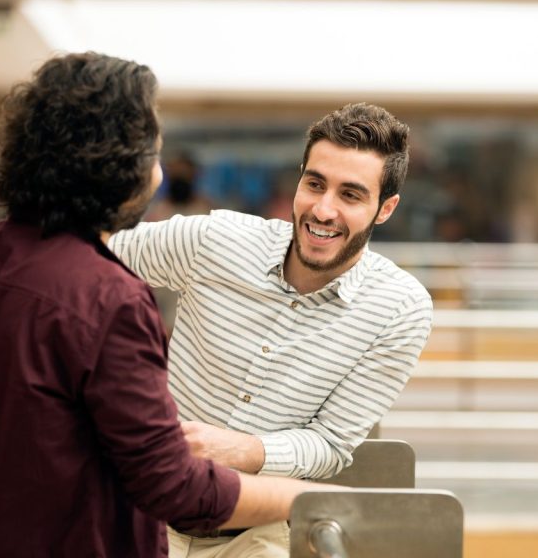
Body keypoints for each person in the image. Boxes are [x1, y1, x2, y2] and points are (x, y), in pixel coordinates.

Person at [0, 52, 322, 558]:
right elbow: (173, 486)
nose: (157, 174)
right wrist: (311, 496)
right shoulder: (108, 300)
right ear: (120, 166)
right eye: (152, 154)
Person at [108, 102, 434, 557]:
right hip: (143, 512)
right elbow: (91, 257)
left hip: (257, 532)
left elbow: (332, 444)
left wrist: (246, 450)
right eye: (315, 184)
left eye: (351, 195)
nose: (323, 210)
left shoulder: (399, 309)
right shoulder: (216, 242)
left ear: (386, 208)